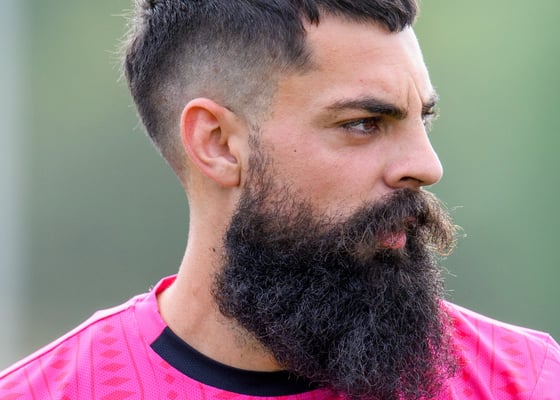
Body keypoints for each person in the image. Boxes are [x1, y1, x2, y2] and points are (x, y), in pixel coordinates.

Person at [1, 0, 559, 399]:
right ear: (218, 144)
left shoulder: (530, 382)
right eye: (363, 123)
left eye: (423, 120)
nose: (427, 166)